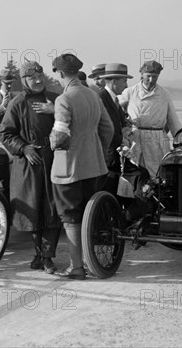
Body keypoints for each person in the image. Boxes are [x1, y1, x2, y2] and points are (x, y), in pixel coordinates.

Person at [50, 53, 114, 280]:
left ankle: (76, 267)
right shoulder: (94, 95)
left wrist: (50, 143)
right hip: (94, 167)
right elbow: (108, 129)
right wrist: (98, 151)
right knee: (88, 215)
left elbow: (59, 136)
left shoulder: (63, 100)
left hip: (68, 169)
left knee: (71, 218)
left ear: (59, 73)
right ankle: (89, 262)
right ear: (77, 71)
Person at [0, 61, 61, 274]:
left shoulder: (55, 100)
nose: (37, 81)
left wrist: (56, 112)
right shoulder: (16, 104)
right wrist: (24, 148)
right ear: (24, 80)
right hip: (28, 166)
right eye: (32, 78)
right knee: (34, 212)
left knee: (52, 209)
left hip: (54, 162)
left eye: (40, 77)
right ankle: (40, 254)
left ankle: (47, 257)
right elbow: (5, 134)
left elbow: (71, 123)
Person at [118, 60, 181, 179]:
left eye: (155, 77)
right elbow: (116, 113)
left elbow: (173, 121)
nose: (151, 80)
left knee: (157, 174)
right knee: (137, 174)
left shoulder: (164, 94)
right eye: (149, 76)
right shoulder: (130, 92)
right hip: (136, 139)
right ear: (141, 75)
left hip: (157, 141)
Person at [96, 63, 133, 191]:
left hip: (113, 158)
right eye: (124, 81)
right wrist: (122, 141)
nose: (126, 85)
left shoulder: (113, 100)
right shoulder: (102, 99)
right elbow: (104, 130)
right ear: (113, 81)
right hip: (106, 160)